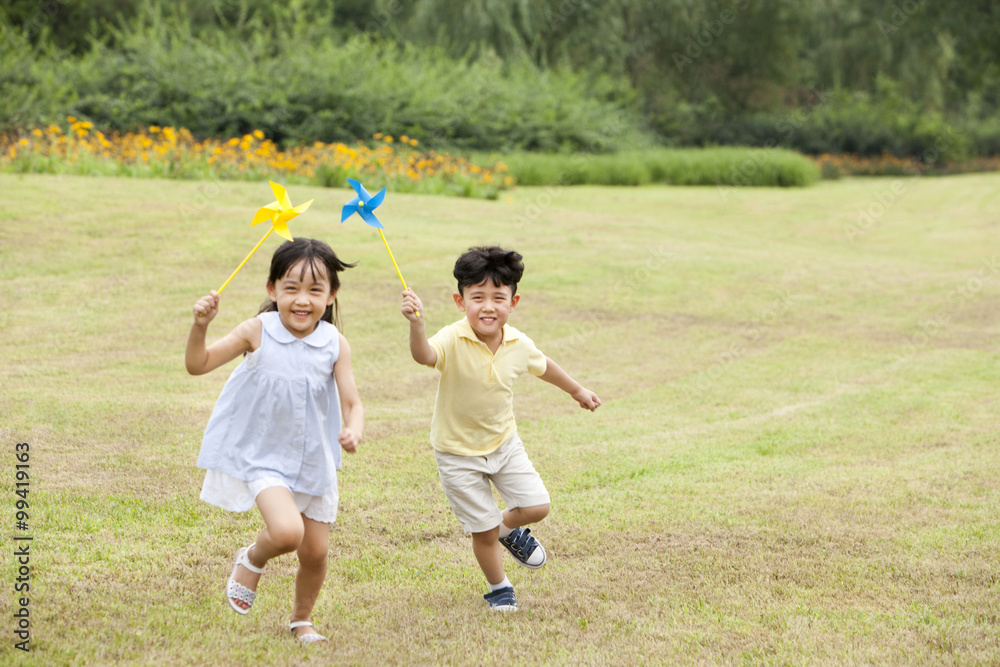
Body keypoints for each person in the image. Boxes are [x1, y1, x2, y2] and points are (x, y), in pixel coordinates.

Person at [400, 245, 600, 612]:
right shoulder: (452, 337)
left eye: (498, 297)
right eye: (477, 297)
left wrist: (577, 390)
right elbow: (424, 356)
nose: (488, 307)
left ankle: (505, 530)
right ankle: (499, 586)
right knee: (482, 530)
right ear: (460, 301)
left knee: (537, 505)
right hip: (457, 453)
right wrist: (417, 325)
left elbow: (544, 366)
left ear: (513, 302)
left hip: (504, 444)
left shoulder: (518, 343)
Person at [186, 238, 364, 644]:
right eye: (291, 288)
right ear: (272, 289)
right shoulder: (257, 331)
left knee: (315, 553)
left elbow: (353, 403)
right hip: (263, 456)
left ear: (331, 295)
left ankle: (302, 620)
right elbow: (198, 364)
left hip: (314, 459)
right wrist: (200, 326)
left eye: (315, 290)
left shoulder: (335, 343)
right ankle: (252, 558)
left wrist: (354, 429)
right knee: (286, 533)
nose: (302, 300)